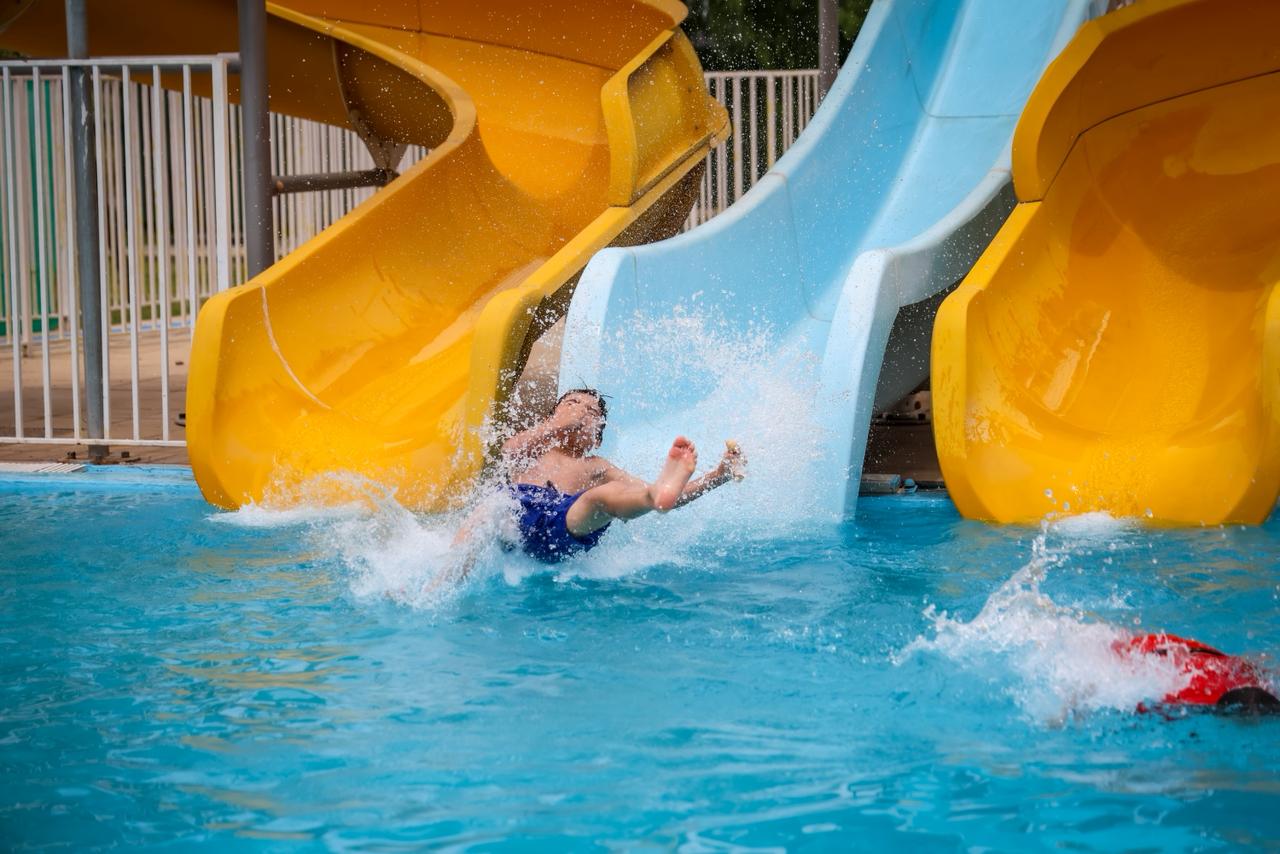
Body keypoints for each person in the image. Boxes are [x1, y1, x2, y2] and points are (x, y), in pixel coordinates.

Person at [495, 388, 745, 563]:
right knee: (490, 508)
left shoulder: (596, 465)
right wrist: (557, 426)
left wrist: (718, 475)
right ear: (549, 418)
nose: (580, 412)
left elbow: (676, 499)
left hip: (564, 525)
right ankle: (464, 568)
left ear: (597, 440)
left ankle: (654, 495)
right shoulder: (535, 447)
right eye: (572, 404)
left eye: (591, 413)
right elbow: (508, 452)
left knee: (604, 494)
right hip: (517, 514)